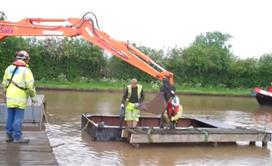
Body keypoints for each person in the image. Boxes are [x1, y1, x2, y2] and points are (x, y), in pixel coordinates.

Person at [2, 50, 37, 143]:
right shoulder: (26, 70)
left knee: (10, 117)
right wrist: (33, 98)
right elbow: (30, 86)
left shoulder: (8, 68)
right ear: (25, 59)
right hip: (20, 98)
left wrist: (5, 92)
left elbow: (4, 83)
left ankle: (9, 135)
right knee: (18, 118)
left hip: (9, 97)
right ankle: (17, 137)